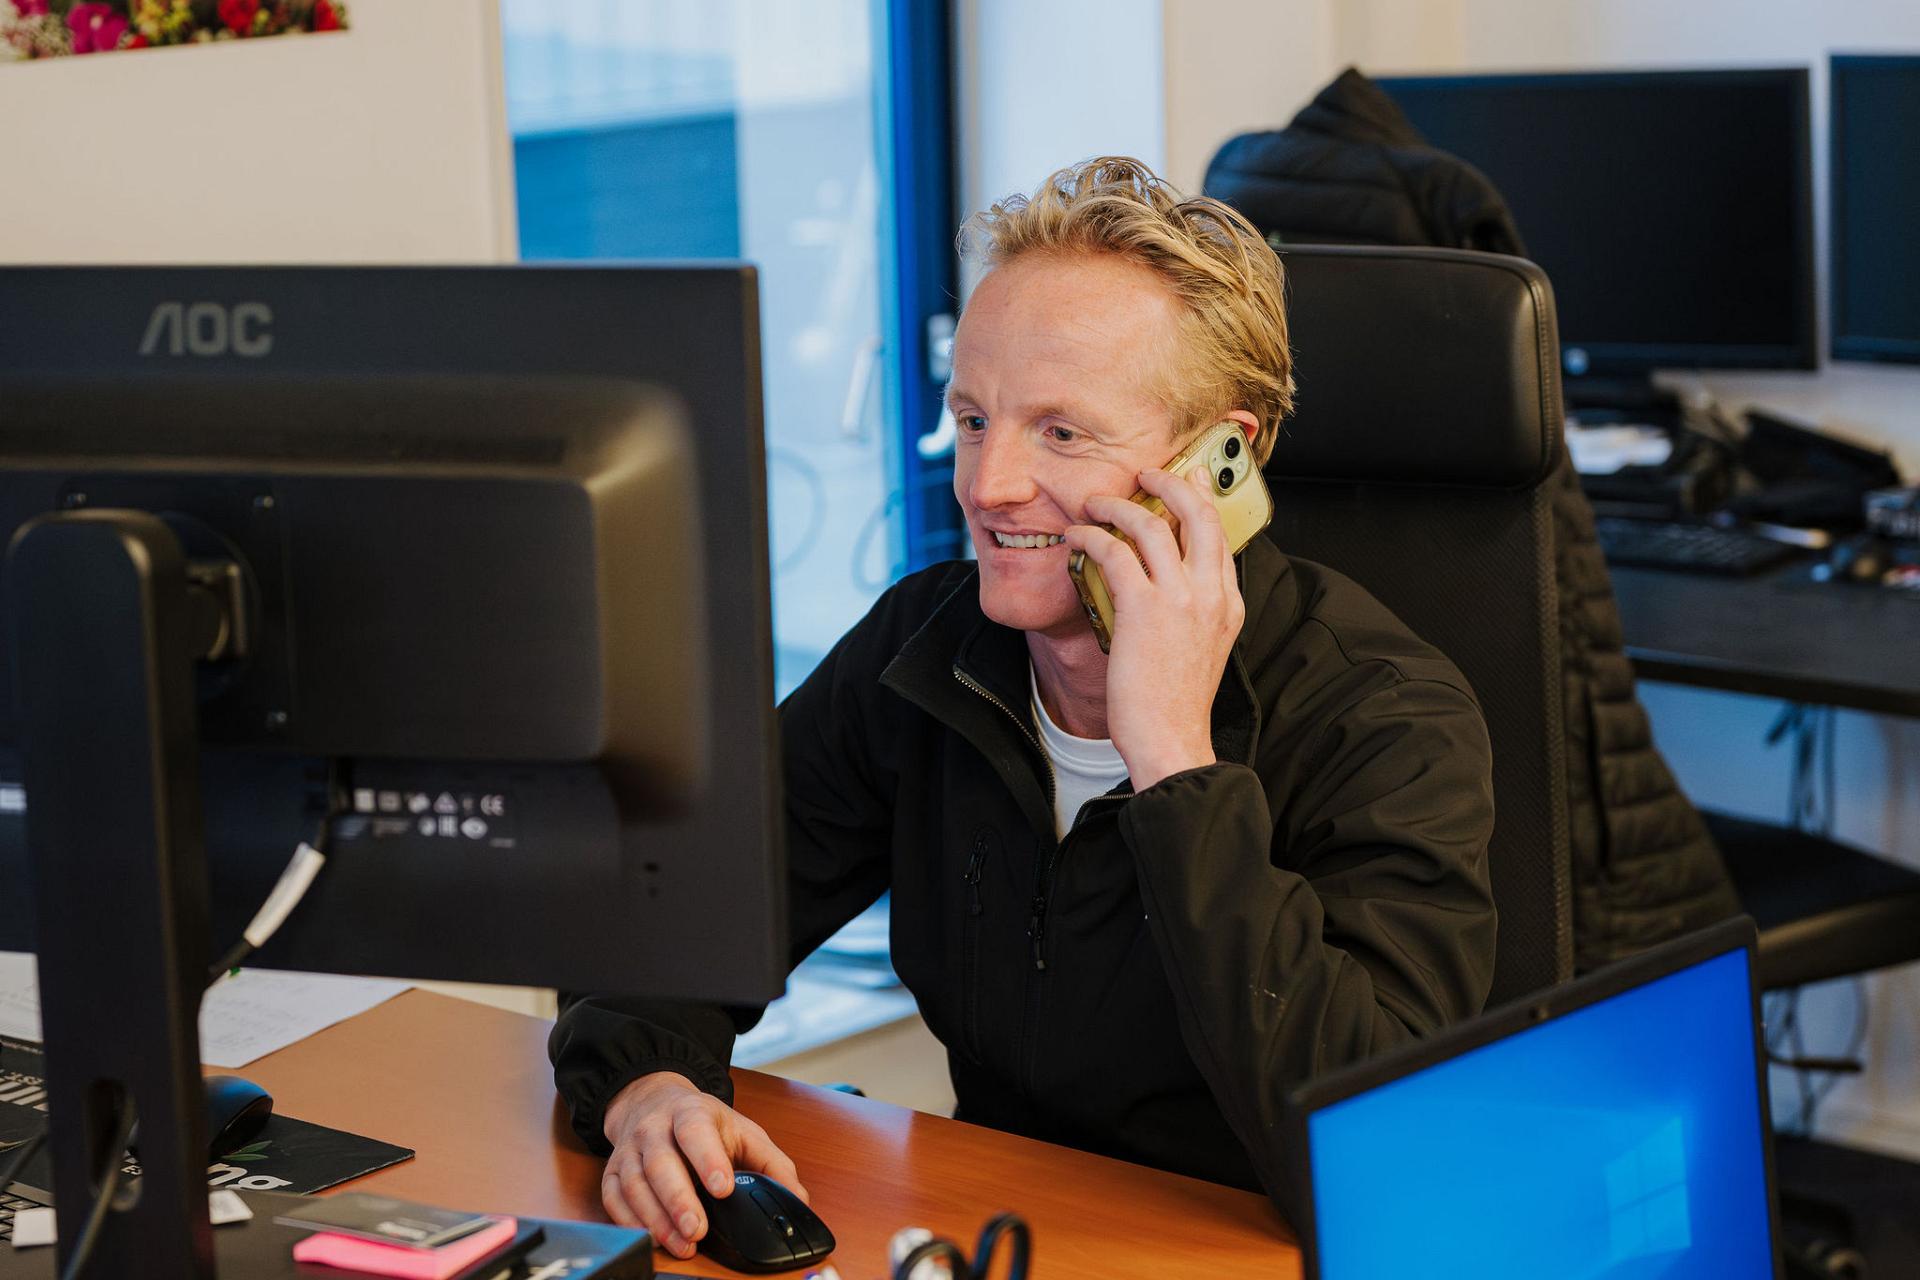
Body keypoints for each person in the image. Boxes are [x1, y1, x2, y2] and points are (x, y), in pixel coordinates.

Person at [550, 156, 1497, 1259]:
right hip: (999, 1234)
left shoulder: (1385, 717)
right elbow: (663, 917)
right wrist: (648, 1086)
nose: (989, 483)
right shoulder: (930, 648)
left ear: (1220, 458)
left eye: (1061, 431)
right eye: (971, 417)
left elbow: (1369, 1153)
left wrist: (1177, 765)